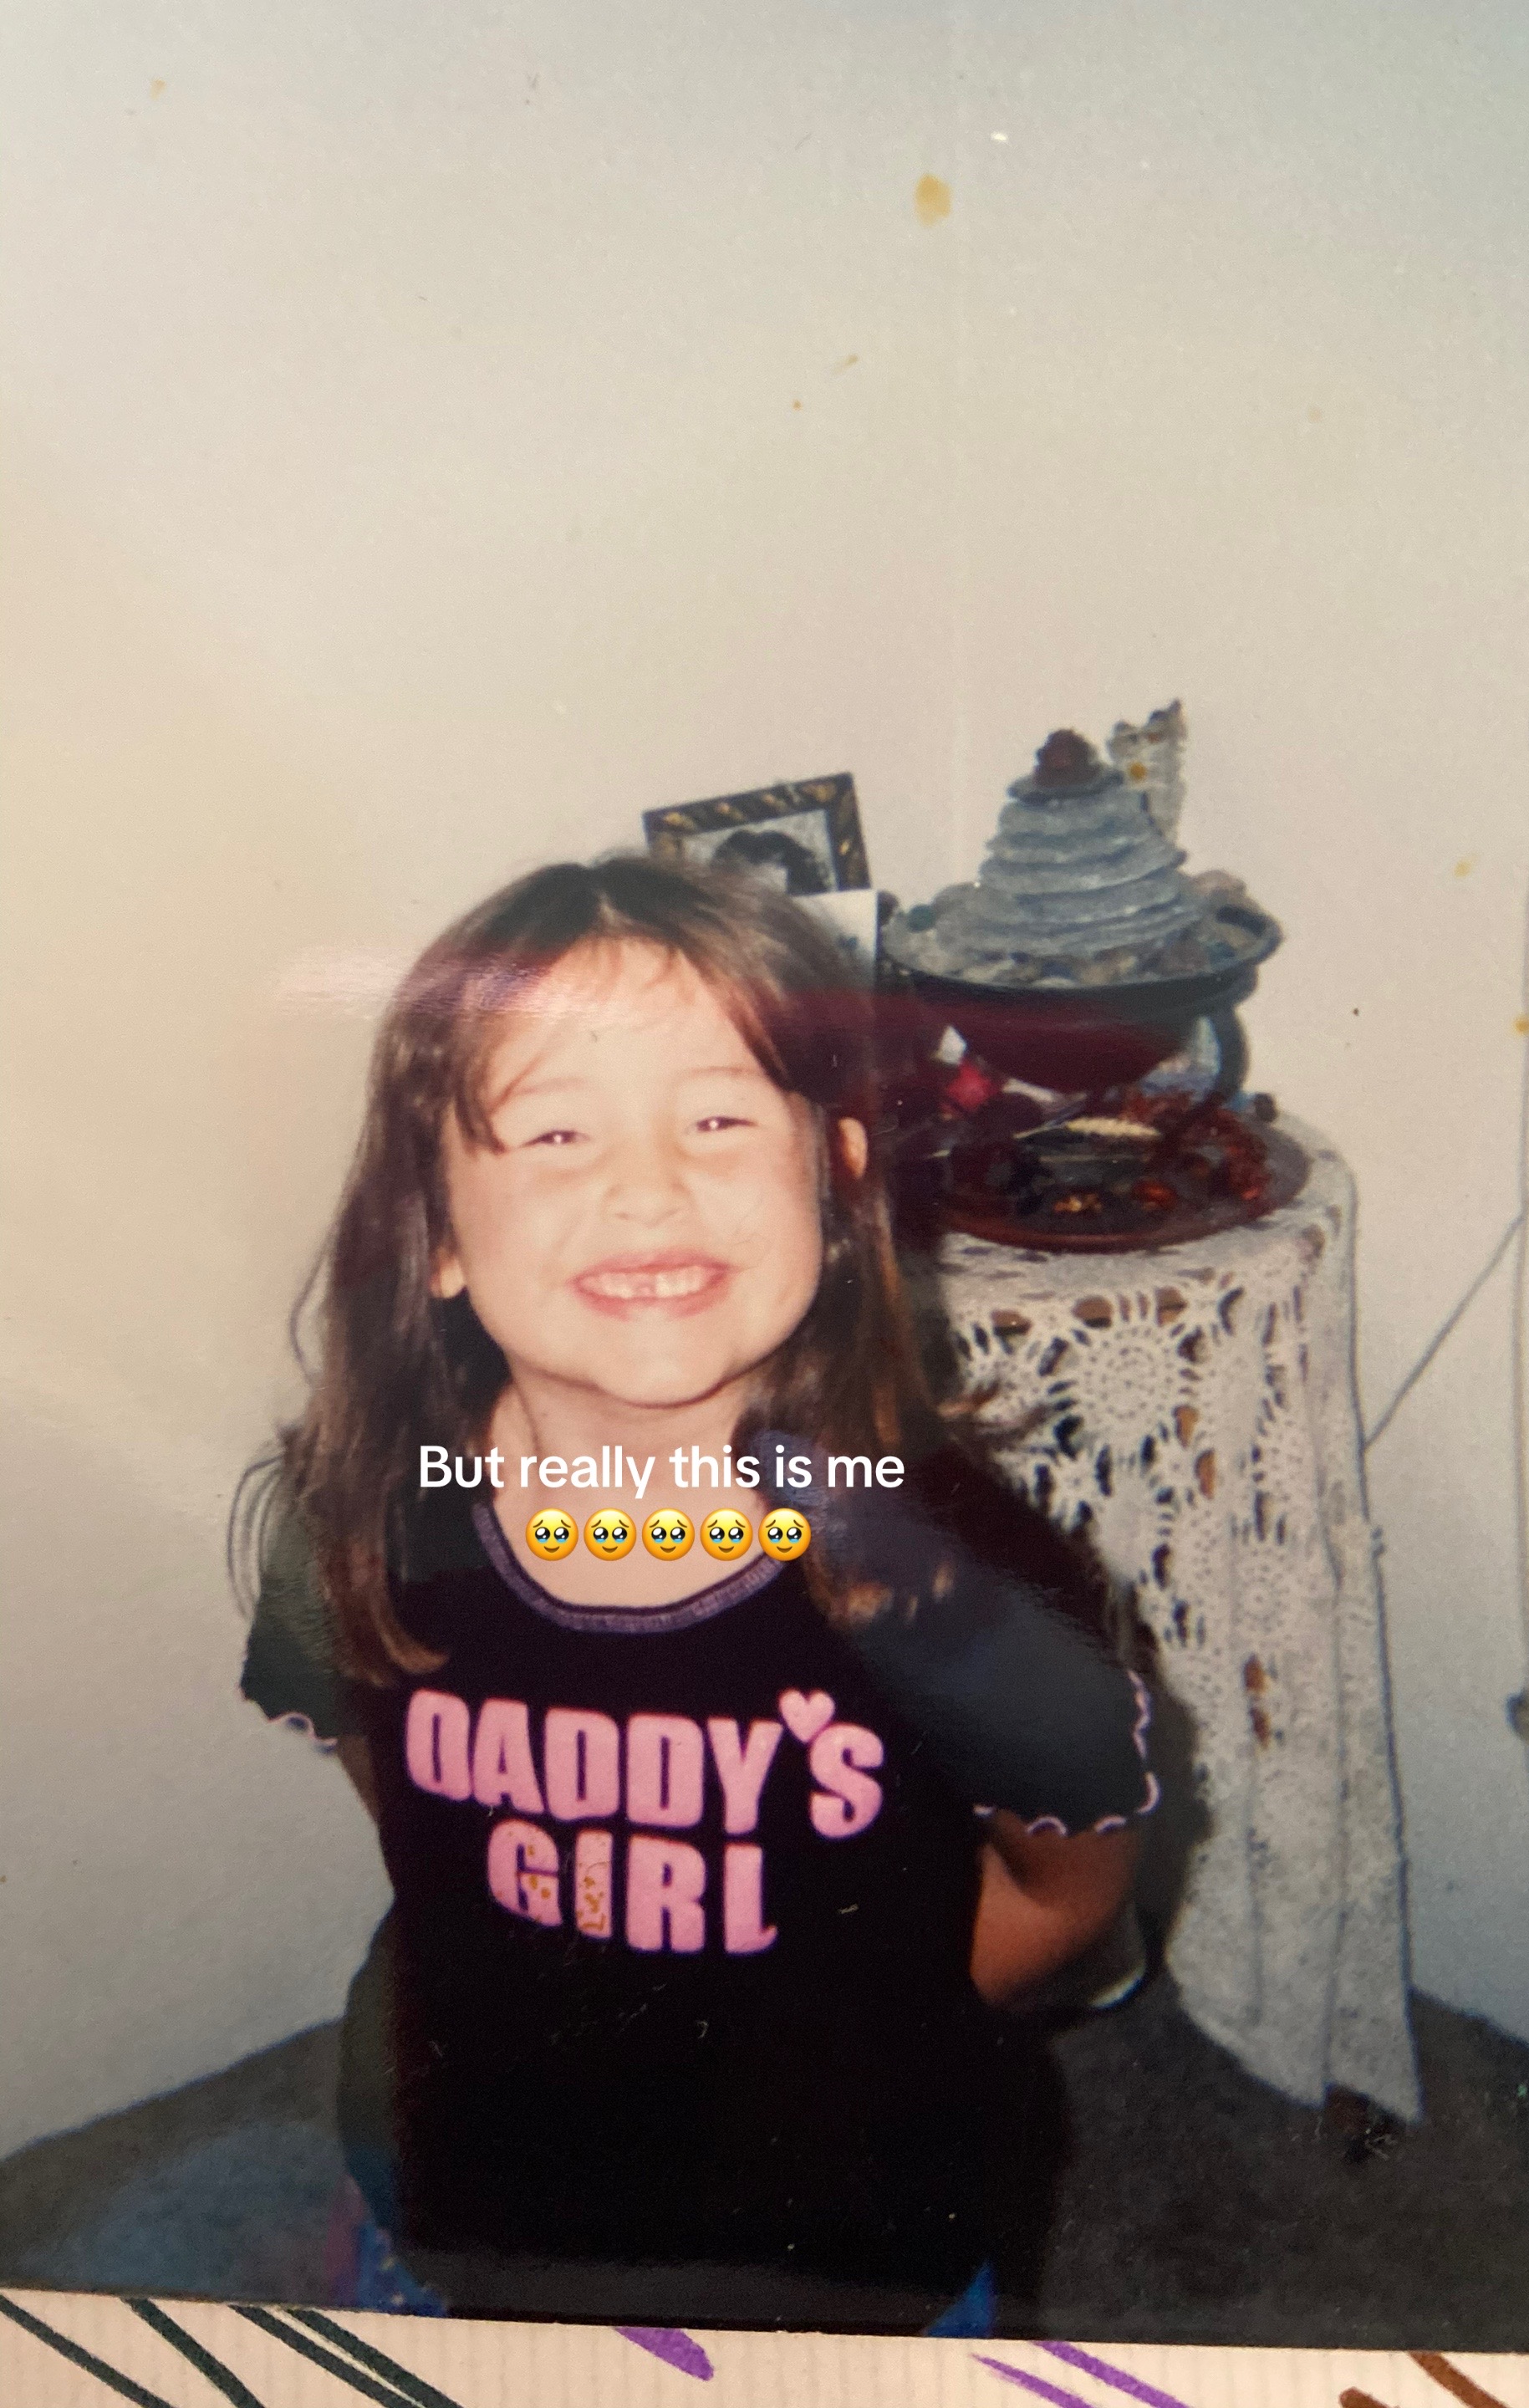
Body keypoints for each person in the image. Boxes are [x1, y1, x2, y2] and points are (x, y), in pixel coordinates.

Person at [237, 853, 1157, 2333]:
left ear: (835, 1176)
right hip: (467, 2207)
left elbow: (1067, 1894)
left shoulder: (951, 1574)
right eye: (554, 1131)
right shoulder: (354, 1519)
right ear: (440, 1233)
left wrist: (855, 2034)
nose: (648, 1187)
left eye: (719, 1117)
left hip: (850, 2254)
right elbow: (412, 1818)